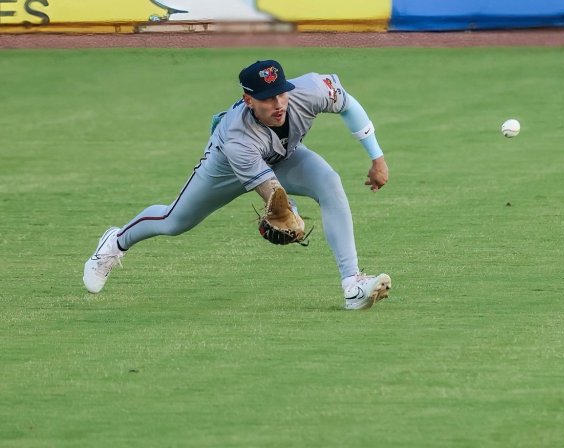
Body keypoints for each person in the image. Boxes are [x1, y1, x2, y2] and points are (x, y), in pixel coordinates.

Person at [83, 59, 392, 310]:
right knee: (174, 221)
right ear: (248, 100)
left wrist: (377, 158)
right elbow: (272, 192)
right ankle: (116, 241)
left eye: (281, 92)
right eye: (268, 98)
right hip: (225, 168)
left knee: (329, 182)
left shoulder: (309, 89)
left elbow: (349, 105)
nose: (278, 102)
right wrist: (291, 212)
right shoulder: (238, 137)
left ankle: (353, 285)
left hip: (284, 154)